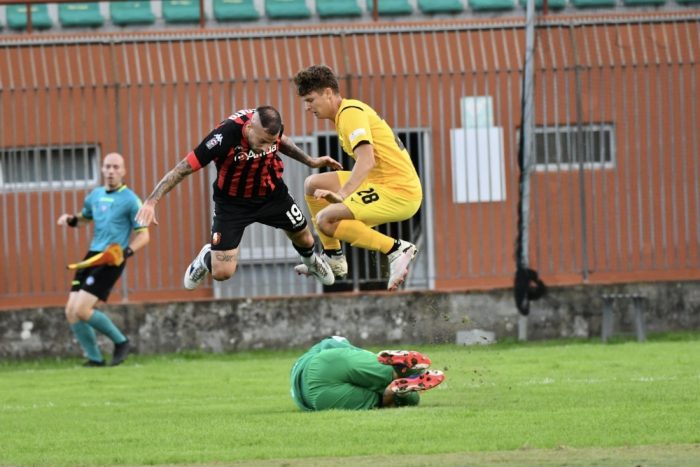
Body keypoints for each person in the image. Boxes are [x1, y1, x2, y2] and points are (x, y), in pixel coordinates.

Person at [134, 106, 343, 290]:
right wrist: (152, 201)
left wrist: (310, 161)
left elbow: (282, 142)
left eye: (269, 143)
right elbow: (182, 169)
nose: (264, 147)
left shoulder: (270, 132)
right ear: (250, 127)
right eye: (261, 141)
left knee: (306, 239)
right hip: (232, 204)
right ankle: (207, 257)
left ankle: (310, 262)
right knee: (222, 273)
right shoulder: (223, 137)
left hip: (271, 194)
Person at [292, 65, 423, 291]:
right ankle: (333, 256)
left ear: (328, 92)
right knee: (313, 185)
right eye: (305, 101)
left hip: (398, 191)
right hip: (380, 182)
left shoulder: (350, 113)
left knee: (325, 219)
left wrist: (342, 195)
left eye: (310, 99)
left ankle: (396, 249)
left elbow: (366, 160)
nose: (307, 107)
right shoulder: (345, 114)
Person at [57, 152, 149, 367]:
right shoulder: (95, 196)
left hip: (111, 259)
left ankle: (121, 342)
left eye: (116, 167)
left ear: (123, 171)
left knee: (82, 310)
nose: (111, 171)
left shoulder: (131, 200)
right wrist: (70, 220)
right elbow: (84, 219)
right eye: (107, 166)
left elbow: (144, 235)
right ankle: (95, 359)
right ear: (102, 169)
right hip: (91, 256)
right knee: (71, 312)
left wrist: (125, 253)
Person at [290, 336, 445, 411]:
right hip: (327, 362)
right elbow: (341, 346)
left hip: (315, 399)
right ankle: (402, 377)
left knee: (378, 402)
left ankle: (392, 392)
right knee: (387, 372)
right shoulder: (332, 343)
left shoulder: (296, 378)